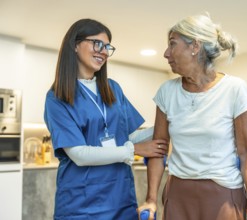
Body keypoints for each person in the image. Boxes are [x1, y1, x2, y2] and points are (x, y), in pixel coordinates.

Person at [137, 14, 247, 220]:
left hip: (223, 194)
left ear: (195, 46)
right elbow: (158, 150)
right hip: (178, 194)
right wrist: (151, 199)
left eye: (172, 44)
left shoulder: (234, 89)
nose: (166, 53)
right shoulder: (167, 92)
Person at [44, 18, 168, 219]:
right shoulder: (57, 97)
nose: (103, 51)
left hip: (120, 199)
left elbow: (126, 137)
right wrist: (133, 150)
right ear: (75, 45)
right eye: (97, 43)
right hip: (81, 203)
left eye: (107, 47)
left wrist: (168, 124)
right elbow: (79, 154)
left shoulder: (113, 89)